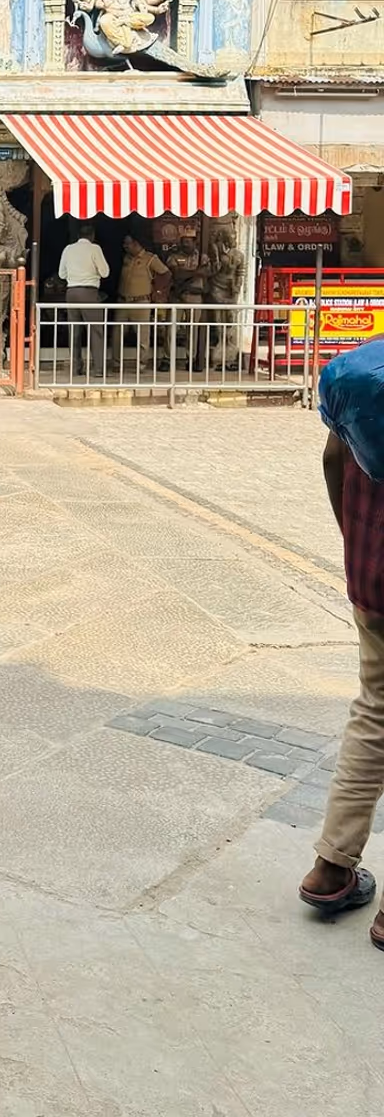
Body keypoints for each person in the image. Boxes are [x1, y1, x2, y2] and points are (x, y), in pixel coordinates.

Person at [298, 350, 384, 950]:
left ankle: (331, 865)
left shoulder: (363, 375)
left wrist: (356, 546)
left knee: (374, 712)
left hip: (374, 583)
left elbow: (333, 459)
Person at [58, 224, 109, 380]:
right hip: (89, 292)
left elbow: (61, 274)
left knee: (74, 330)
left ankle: (76, 368)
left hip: (71, 292)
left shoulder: (68, 249)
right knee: (96, 331)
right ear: (92, 236)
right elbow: (105, 272)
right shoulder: (95, 249)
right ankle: (99, 369)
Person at [113, 233, 169, 372]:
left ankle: (141, 365)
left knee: (142, 337)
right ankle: (116, 364)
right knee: (117, 334)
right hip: (123, 302)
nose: (125, 246)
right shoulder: (126, 258)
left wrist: (158, 292)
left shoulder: (150, 259)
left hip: (141, 302)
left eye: (127, 243)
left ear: (136, 244)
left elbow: (166, 274)